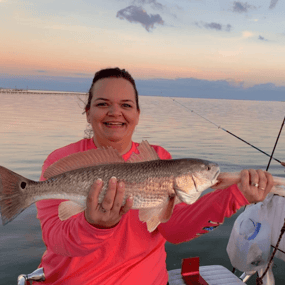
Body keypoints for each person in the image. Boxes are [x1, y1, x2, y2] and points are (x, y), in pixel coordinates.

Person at [34, 67, 274, 285]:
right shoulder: (62, 161)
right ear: (87, 113)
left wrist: (235, 194)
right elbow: (56, 239)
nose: (115, 112)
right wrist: (93, 225)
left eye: (126, 105)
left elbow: (174, 230)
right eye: (103, 104)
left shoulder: (159, 157)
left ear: (138, 114)